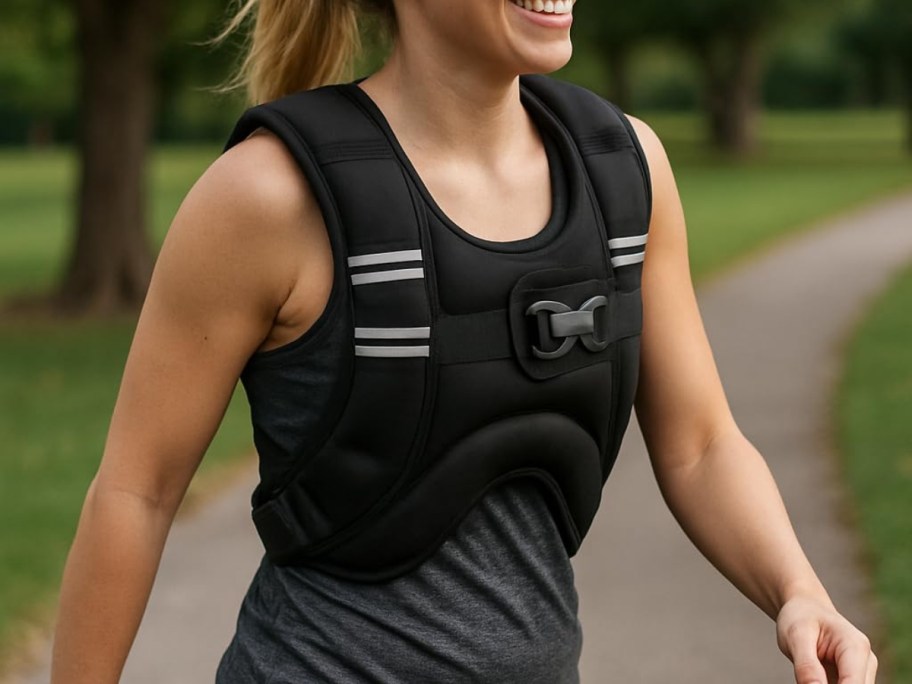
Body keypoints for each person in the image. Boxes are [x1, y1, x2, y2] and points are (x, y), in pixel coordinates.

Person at [49, 0, 878, 682]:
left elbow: (700, 445)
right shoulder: (267, 198)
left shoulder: (626, 173)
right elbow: (137, 491)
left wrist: (797, 590)